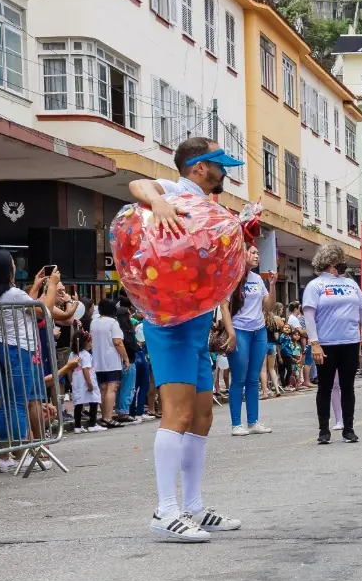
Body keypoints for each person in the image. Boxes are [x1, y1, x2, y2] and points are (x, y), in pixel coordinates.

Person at [127, 136, 244, 542]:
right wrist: (157, 201)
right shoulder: (179, 191)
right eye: (219, 164)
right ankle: (166, 508)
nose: (225, 172)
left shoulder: (208, 208)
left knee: (202, 416)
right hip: (171, 322)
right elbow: (139, 186)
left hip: (196, 324)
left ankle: (193, 506)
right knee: (176, 414)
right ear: (198, 167)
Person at [0, 252, 57, 472]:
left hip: (2, 350)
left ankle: (5, 456)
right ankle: (22, 454)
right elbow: (43, 310)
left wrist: (35, 287)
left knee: (5, 402)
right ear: (10, 269)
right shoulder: (15, 294)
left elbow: (31, 307)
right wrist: (52, 284)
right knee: (18, 402)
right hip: (20, 350)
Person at [303, 242, 362, 443]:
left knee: (347, 386)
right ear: (329, 262)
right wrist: (314, 343)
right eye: (338, 261)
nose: (342, 264)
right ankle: (323, 429)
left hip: (350, 341)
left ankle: (348, 428)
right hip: (326, 343)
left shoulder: (351, 284)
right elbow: (309, 315)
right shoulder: (315, 285)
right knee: (325, 386)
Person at [226, 245, 274, 436]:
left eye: (257, 252)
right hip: (240, 330)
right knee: (238, 378)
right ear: (241, 254)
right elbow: (224, 308)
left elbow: (268, 306)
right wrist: (231, 333)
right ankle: (236, 423)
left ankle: (253, 421)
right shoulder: (231, 277)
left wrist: (271, 284)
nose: (256, 255)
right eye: (252, 252)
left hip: (259, 331)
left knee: (253, 378)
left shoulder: (257, 279)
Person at [89, 299, 129, 428]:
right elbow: (118, 342)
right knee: (112, 388)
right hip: (111, 360)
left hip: (97, 360)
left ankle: (104, 417)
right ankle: (108, 417)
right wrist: (126, 358)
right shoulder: (113, 323)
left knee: (103, 388)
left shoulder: (93, 322)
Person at [69, 329, 100, 434]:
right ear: (85, 342)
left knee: (78, 402)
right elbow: (85, 369)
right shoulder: (85, 355)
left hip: (76, 379)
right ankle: (92, 423)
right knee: (94, 399)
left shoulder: (72, 354)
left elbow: (69, 369)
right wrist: (90, 384)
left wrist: (71, 381)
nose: (91, 344)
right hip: (85, 379)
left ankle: (77, 426)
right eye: (90, 342)